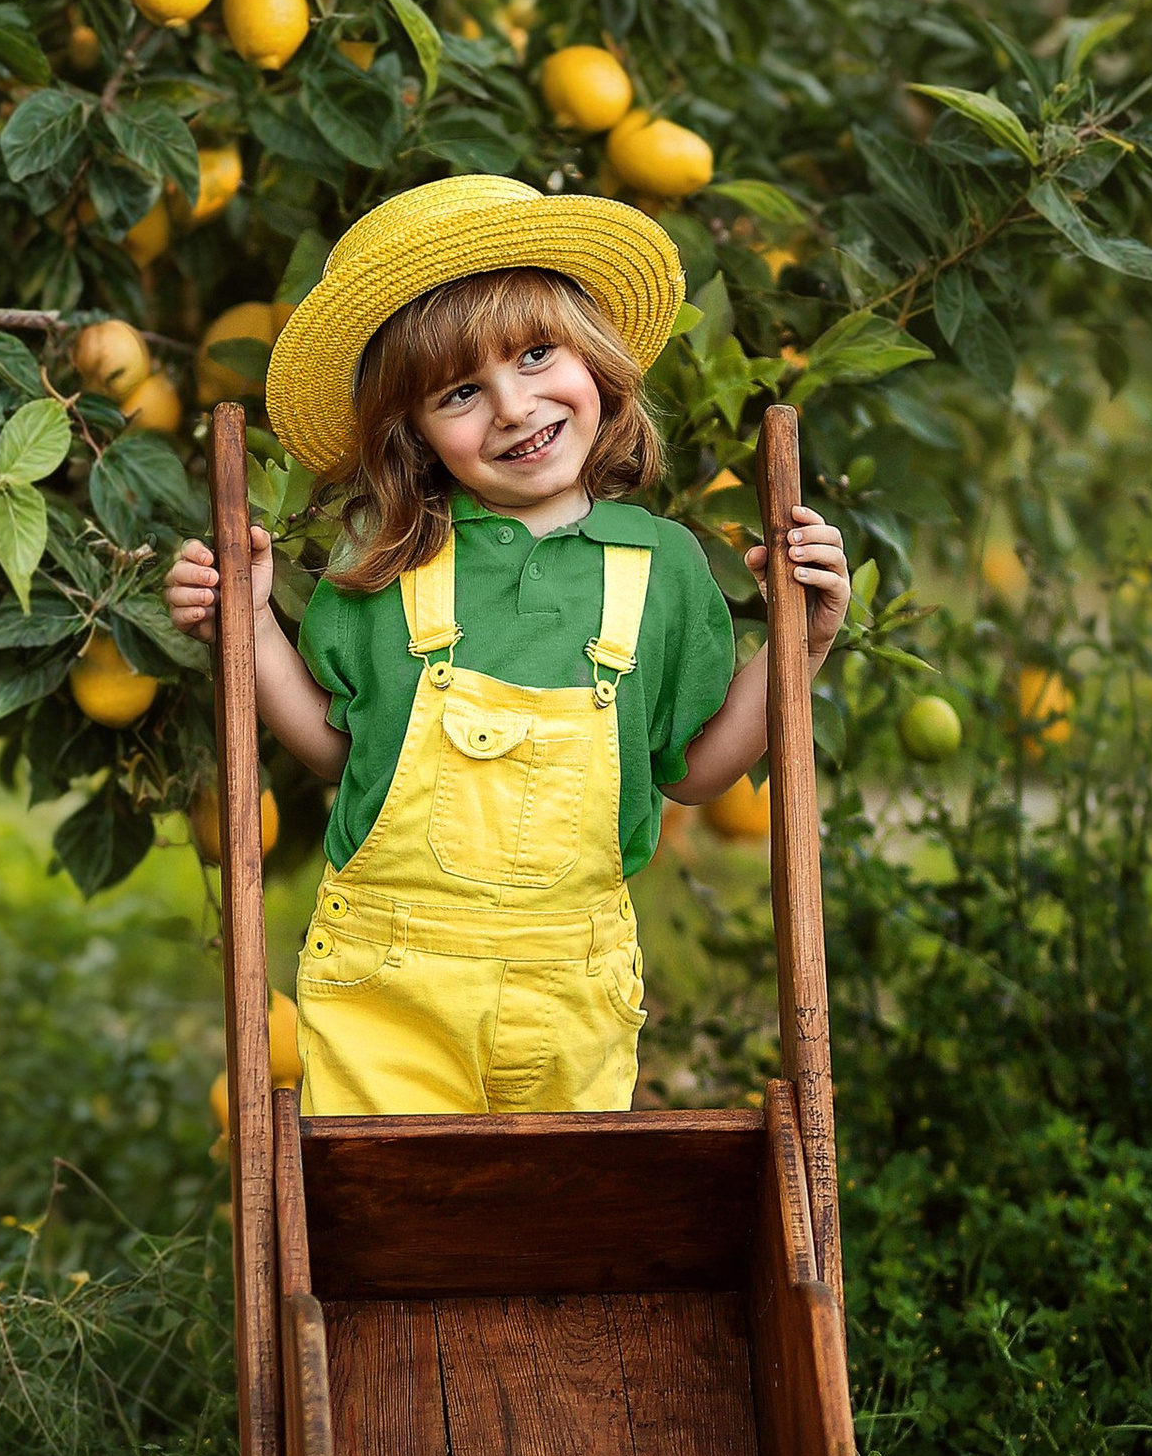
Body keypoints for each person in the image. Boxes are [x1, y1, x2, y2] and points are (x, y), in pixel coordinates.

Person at [163, 175, 850, 1116]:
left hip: (574, 991)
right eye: (460, 392)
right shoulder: (387, 563)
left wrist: (798, 650)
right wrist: (247, 626)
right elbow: (336, 749)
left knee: (554, 1238)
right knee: (391, 1226)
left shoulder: (663, 567)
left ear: (594, 358)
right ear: (413, 433)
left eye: (535, 355)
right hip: (386, 990)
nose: (515, 407)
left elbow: (691, 774)